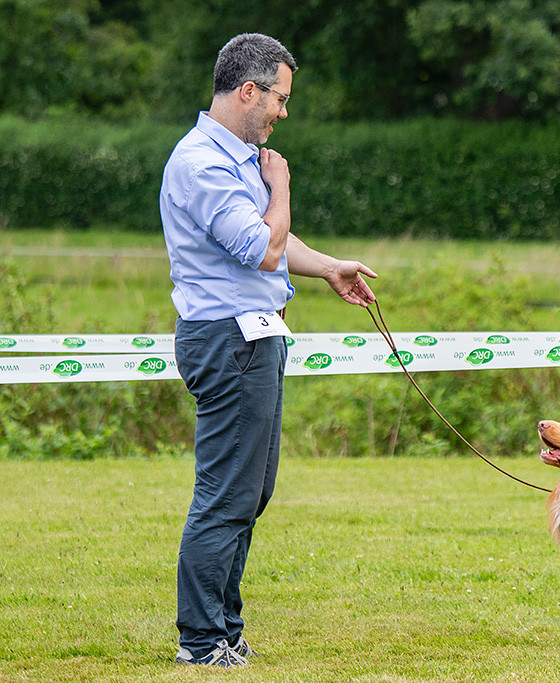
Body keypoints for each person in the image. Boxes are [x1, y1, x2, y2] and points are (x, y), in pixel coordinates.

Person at [159, 33, 377, 668]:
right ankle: (201, 642)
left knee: (251, 493)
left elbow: (280, 244)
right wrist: (279, 181)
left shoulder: (235, 158)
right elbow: (262, 247)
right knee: (225, 495)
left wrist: (331, 266)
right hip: (229, 340)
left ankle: (225, 630)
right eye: (279, 98)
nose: (283, 111)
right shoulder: (202, 162)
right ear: (247, 91)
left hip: (255, 336)